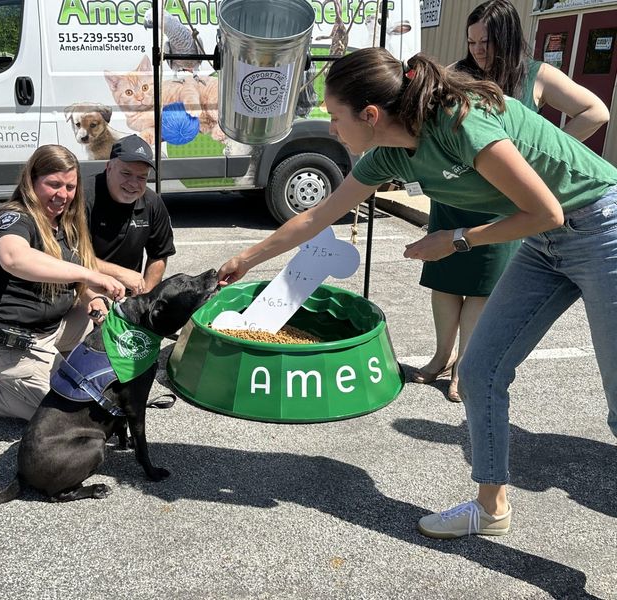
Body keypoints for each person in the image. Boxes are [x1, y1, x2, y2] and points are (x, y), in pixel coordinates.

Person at [218, 47, 617, 539]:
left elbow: (548, 211)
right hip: (542, 240)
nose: (332, 129)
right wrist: (243, 260)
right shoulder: (390, 152)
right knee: (478, 370)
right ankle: (491, 510)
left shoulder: (459, 123)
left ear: (370, 115)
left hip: (601, 227)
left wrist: (455, 240)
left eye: (335, 117)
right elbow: (316, 216)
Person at [413, 0, 609, 402]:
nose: (478, 49)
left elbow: (596, 111)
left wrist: (552, 156)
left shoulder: (535, 74)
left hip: (505, 206)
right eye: (471, 42)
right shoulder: (456, 76)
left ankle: (464, 369)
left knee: (485, 287)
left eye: (486, 40)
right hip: (455, 196)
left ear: (508, 37)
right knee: (445, 279)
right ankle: (440, 356)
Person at [0, 145, 126, 426]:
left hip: (52, 329)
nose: (63, 194)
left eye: (70, 186)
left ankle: (59, 376)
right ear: (31, 181)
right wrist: (90, 275)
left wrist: (93, 297)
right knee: (68, 419)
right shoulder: (13, 218)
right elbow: (14, 257)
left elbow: (75, 278)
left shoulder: (65, 223)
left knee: (92, 327)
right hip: (11, 343)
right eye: (53, 184)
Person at [83, 135, 176, 296]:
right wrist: (119, 273)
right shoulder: (83, 198)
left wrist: (144, 298)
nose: (133, 184)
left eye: (141, 177)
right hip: (83, 290)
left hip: (127, 294)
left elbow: (159, 255)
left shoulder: (152, 203)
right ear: (109, 168)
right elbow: (67, 257)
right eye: (126, 173)